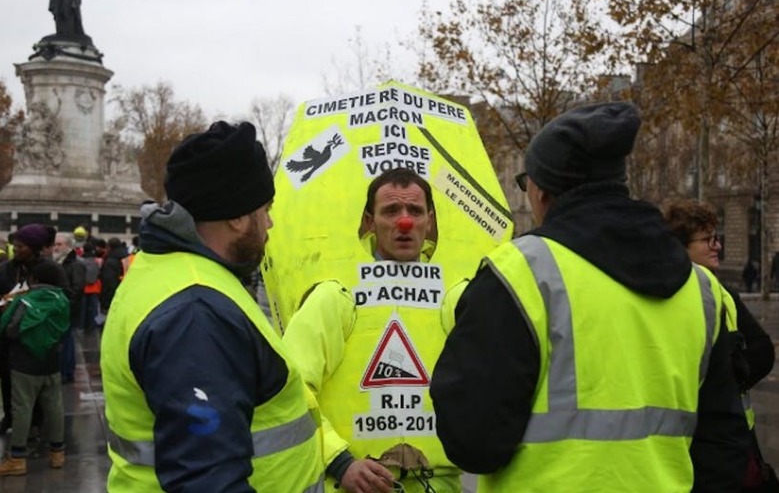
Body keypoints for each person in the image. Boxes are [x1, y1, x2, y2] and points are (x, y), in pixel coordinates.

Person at [430, 102, 749, 492]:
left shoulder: (520, 272)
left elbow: (472, 441)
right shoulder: (701, 289)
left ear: (541, 191)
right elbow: (724, 444)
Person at [100, 121, 323, 492]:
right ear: (237, 217)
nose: (269, 224)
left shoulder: (167, 271)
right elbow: (208, 481)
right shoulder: (196, 312)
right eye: (264, 209)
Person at [282, 167, 460, 493]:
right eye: (391, 210)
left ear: (430, 221)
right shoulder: (336, 299)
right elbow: (289, 389)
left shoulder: (455, 301)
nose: (404, 222)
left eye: (415, 211)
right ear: (369, 222)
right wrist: (340, 462)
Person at [663, 199, 777, 491]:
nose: (717, 246)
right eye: (708, 239)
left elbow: (763, 351)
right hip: (688, 442)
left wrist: (723, 379)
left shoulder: (723, 294)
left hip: (731, 439)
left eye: (717, 237)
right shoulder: (664, 297)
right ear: (681, 246)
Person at [0, 259, 70, 477]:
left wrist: (7, 310)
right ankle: (57, 454)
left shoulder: (24, 301)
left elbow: (9, 330)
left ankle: (16, 459)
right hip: (51, 361)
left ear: (34, 279)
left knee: (22, 409)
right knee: (55, 407)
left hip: (25, 364)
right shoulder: (62, 300)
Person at [0, 224, 65, 436]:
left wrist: (33, 307)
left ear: (34, 247)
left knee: (34, 382)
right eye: (15, 245)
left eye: (21, 246)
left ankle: (35, 423)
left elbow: (63, 298)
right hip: (8, 332)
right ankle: (8, 417)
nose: (16, 249)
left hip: (35, 333)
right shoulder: (5, 269)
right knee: (6, 377)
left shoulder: (49, 270)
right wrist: (1, 301)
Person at [53, 232, 85, 382]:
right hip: (58, 308)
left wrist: (65, 304)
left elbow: (77, 289)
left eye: (59, 244)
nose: (56, 247)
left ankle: (67, 372)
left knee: (67, 341)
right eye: (55, 244)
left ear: (69, 246)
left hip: (67, 309)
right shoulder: (58, 262)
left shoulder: (76, 264)